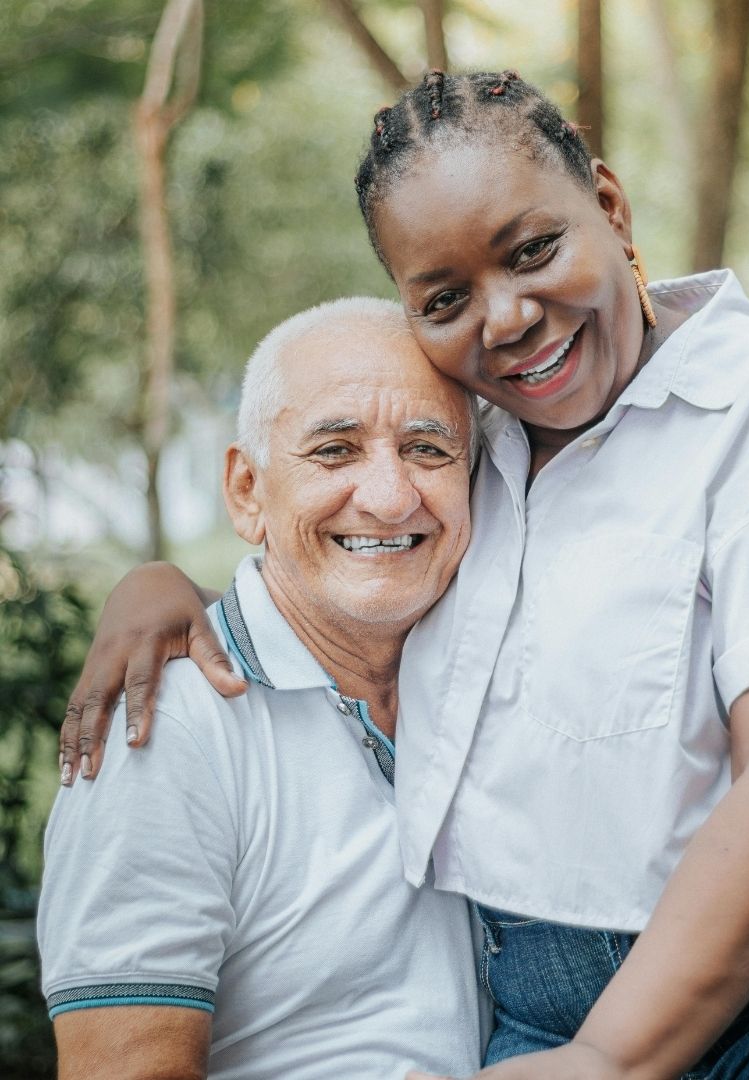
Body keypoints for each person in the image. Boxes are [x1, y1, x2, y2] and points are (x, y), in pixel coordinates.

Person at [59, 71, 749, 1078]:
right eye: (448, 297)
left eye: (535, 250)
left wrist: (608, 1059)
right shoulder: (473, 457)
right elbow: (335, 558)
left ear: (611, 205)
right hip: (539, 1017)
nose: (504, 319)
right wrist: (164, 590)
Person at [38, 298, 487, 1079]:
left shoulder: (488, 674)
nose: (388, 496)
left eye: (428, 449)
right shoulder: (165, 728)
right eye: (336, 450)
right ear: (248, 490)